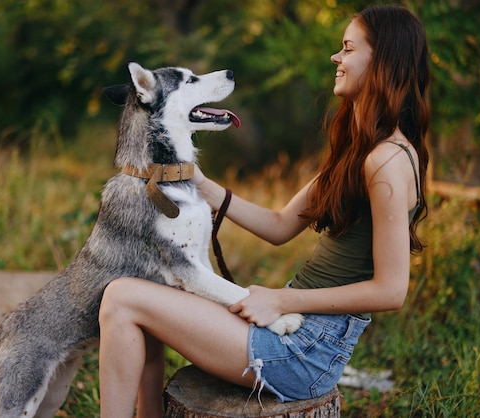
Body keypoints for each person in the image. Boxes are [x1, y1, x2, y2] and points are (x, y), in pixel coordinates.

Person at [97, 4, 430, 417]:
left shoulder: (387, 160)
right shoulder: (361, 150)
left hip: (303, 352)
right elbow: (278, 225)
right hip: (293, 329)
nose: (336, 58)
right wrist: (198, 182)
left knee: (121, 298)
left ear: (382, 62)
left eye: (347, 48)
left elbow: (391, 290)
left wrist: (282, 302)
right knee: (146, 298)